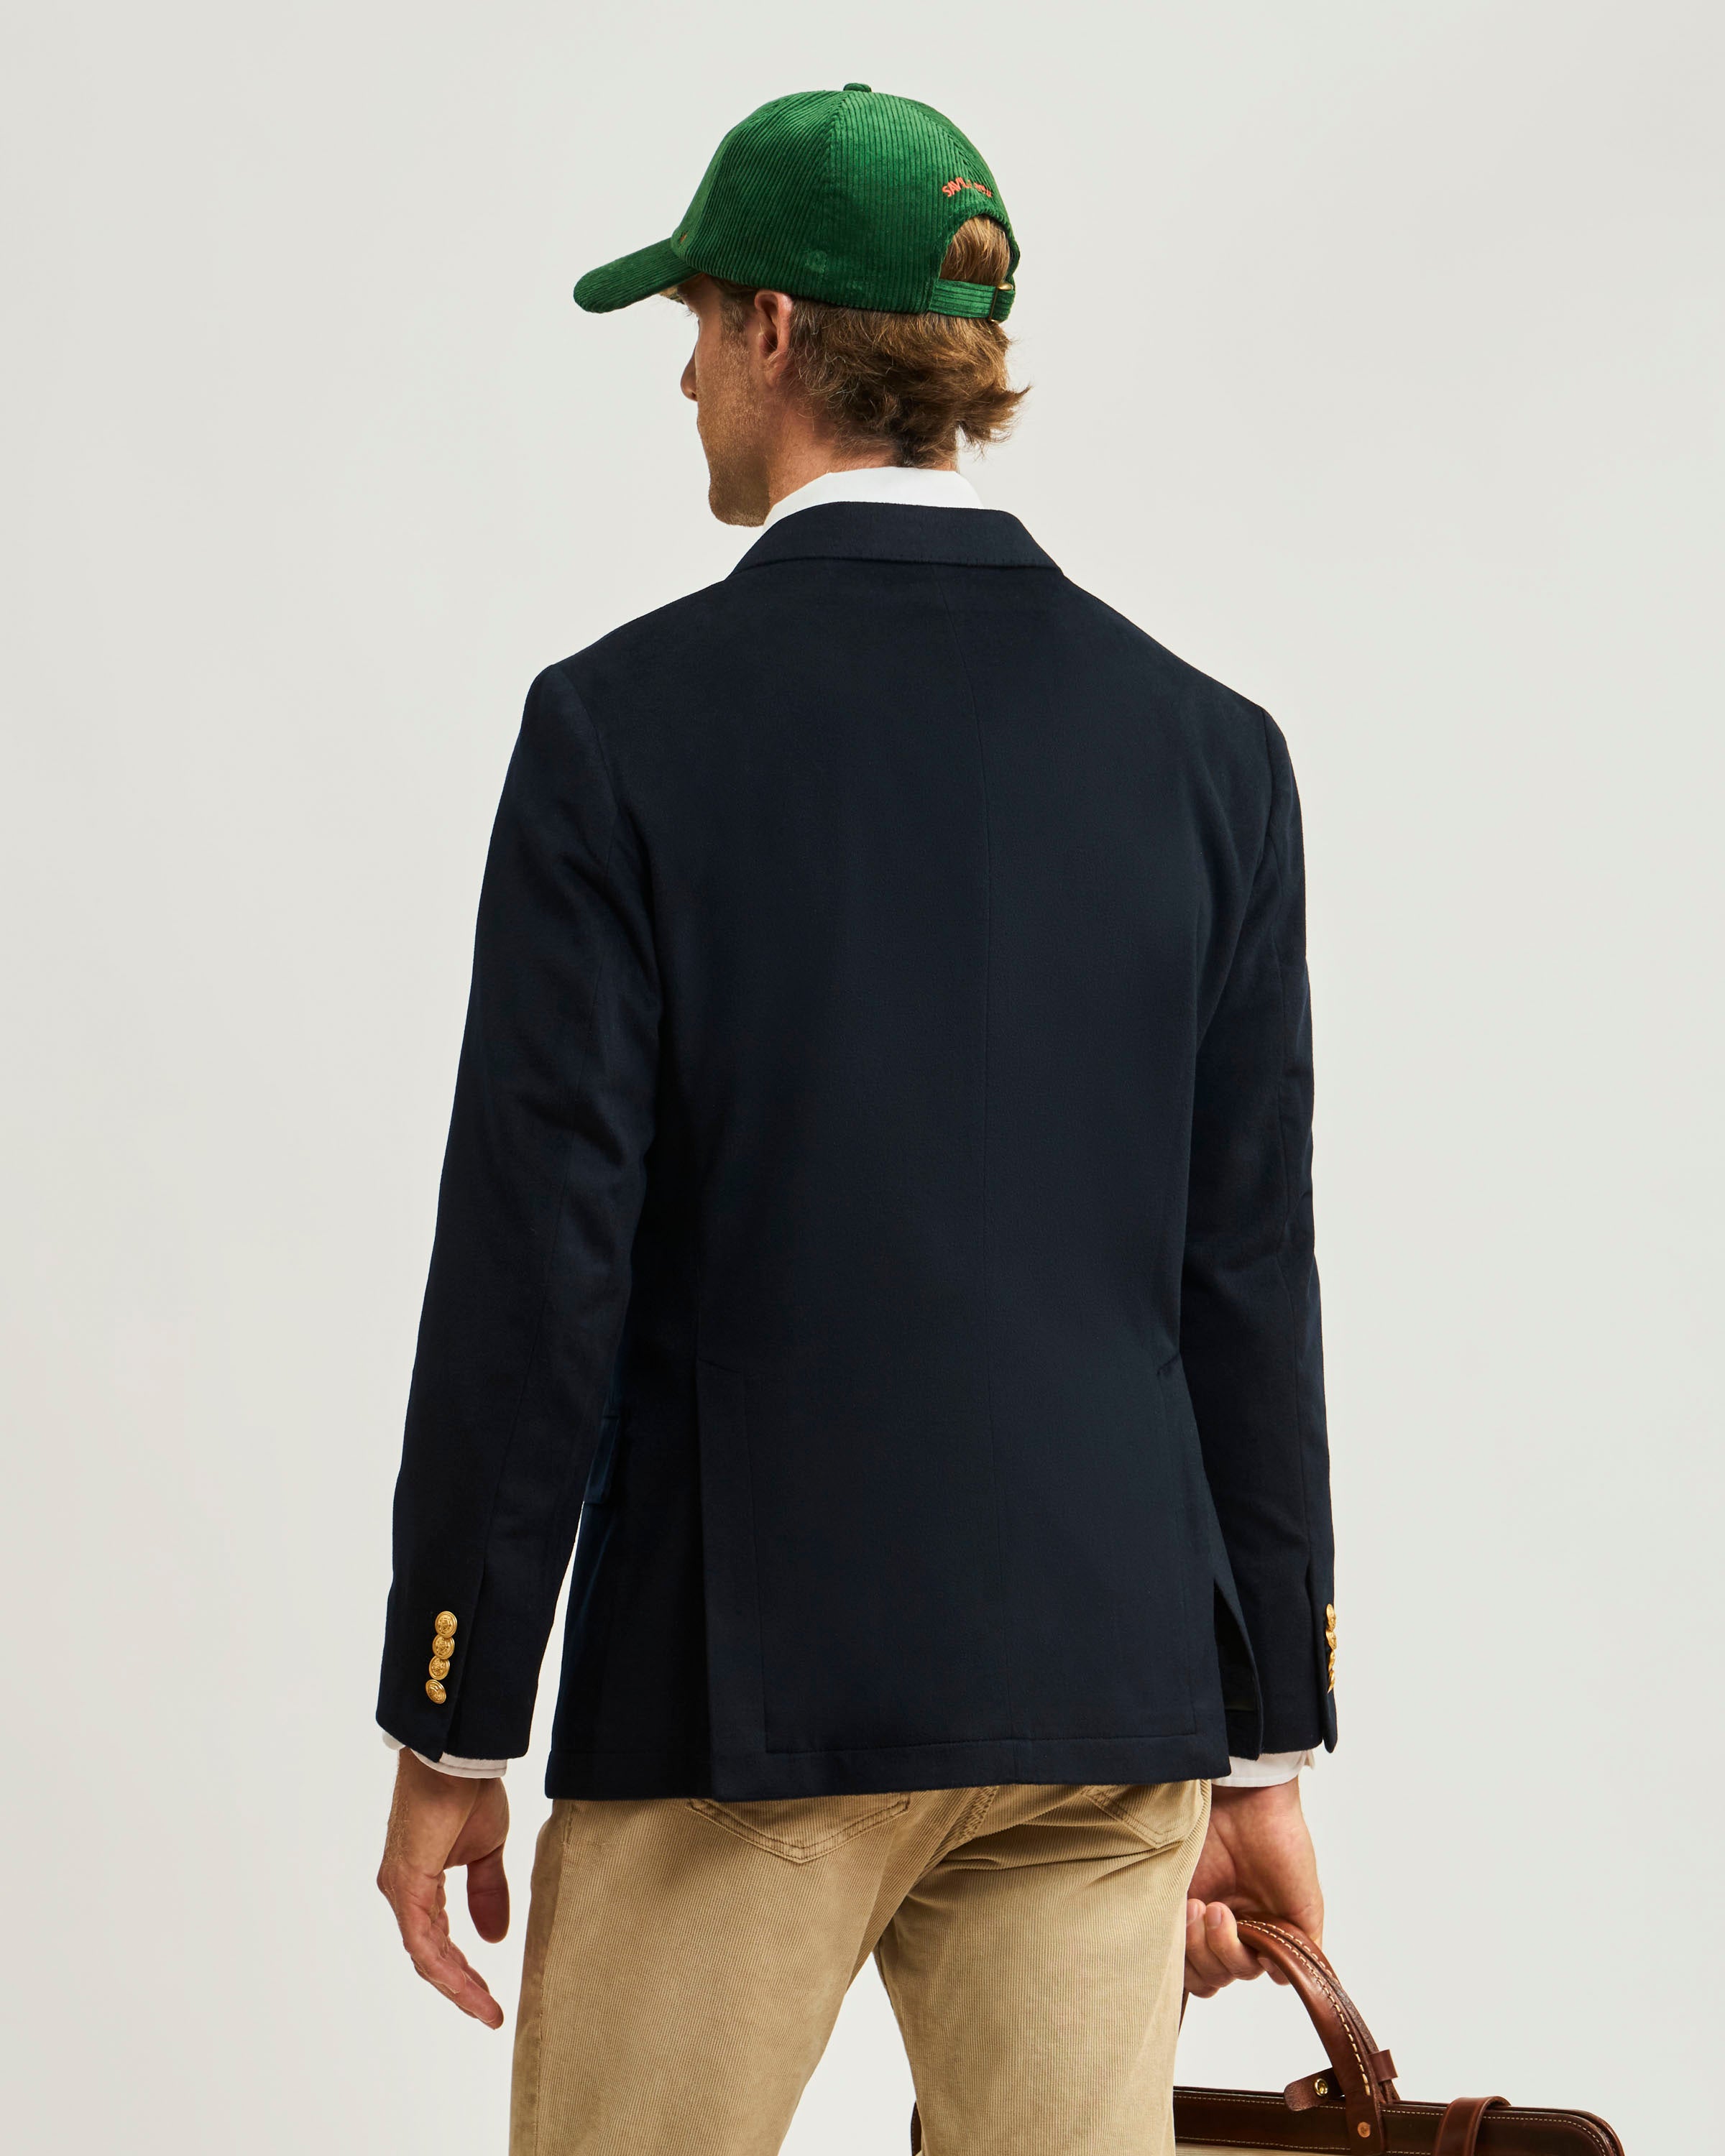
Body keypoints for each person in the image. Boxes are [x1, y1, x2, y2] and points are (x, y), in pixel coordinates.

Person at [374, 83, 1336, 2156]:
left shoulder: (622, 733)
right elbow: (1245, 1273)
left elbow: (540, 1255)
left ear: (779, 331)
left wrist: (455, 1705)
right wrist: (1263, 1744)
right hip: (1105, 1706)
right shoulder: (1211, 754)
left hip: (745, 1696)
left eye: (694, 327)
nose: (687, 382)